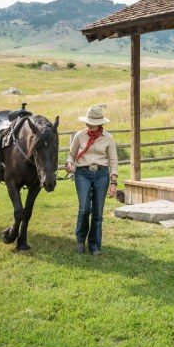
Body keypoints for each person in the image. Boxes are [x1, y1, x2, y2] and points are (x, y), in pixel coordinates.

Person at [65, 105, 118, 255]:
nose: (89, 125)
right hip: (83, 173)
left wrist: (113, 182)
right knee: (84, 209)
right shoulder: (79, 136)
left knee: (98, 212)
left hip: (102, 174)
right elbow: (71, 155)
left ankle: (95, 245)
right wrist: (69, 163)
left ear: (100, 123)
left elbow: (113, 161)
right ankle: (80, 239)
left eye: (92, 123)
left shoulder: (108, 138)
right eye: (88, 122)